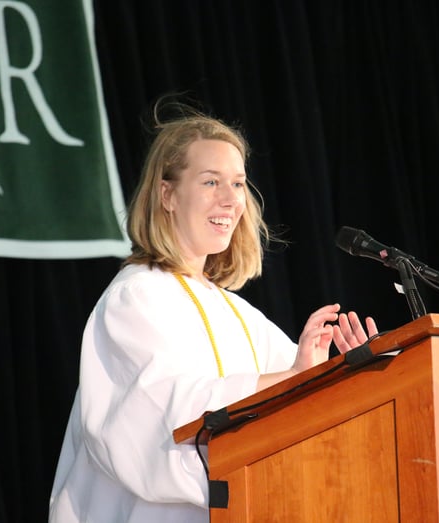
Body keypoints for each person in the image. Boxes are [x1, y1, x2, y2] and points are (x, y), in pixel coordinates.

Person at [48, 101, 378, 522]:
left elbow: (300, 413)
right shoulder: (134, 299)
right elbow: (160, 417)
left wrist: (352, 376)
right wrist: (292, 378)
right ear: (167, 194)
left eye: (238, 183)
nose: (230, 200)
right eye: (210, 182)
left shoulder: (238, 314)